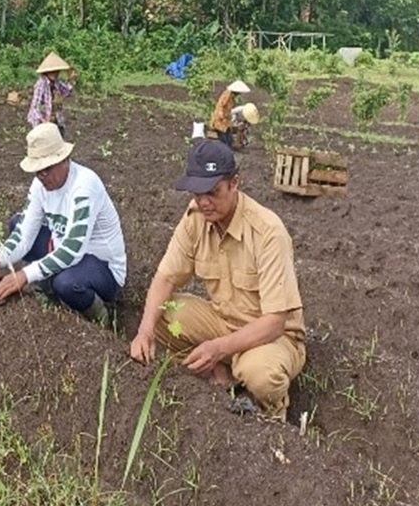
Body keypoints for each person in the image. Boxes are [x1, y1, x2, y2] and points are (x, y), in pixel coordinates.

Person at [129, 140, 306, 420]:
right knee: (164, 313)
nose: (203, 202)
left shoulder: (268, 232)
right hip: (223, 323)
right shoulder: (196, 217)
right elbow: (166, 277)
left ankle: (271, 410)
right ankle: (221, 369)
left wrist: (219, 347)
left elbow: (274, 323)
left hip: (270, 338)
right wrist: (145, 331)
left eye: (212, 192)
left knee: (260, 374)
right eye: (197, 193)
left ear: (234, 183)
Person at [0, 123, 127, 326]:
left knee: (67, 283)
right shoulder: (40, 186)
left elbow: (73, 249)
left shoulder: (85, 186)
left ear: (64, 159)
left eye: (47, 169)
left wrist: (25, 275)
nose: (42, 176)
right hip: (64, 250)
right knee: (16, 223)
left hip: (102, 267)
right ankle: (49, 293)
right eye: (37, 171)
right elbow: (24, 234)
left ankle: (101, 318)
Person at [27, 52, 76, 138]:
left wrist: (71, 80)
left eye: (56, 71)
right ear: (47, 72)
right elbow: (35, 107)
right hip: (41, 122)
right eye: (52, 71)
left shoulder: (56, 83)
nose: (55, 73)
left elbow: (66, 92)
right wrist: (44, 121)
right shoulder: (41, 84)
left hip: (53, 118)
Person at [209, 80, 251, 149]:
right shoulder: (227, 95)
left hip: (226, 121)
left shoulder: (231, 96)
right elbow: (221, 106)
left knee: (229, 139)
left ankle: (227, 150)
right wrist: (222, 116)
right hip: (221, 121)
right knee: (224, 140)